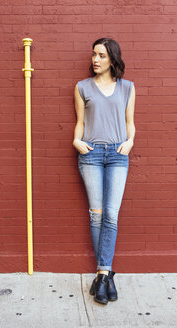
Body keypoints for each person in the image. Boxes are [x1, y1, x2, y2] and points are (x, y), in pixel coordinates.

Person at [73, 38, 136, 305]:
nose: (95, 60)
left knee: (111, 214)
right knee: (96, 215)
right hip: (91, 154)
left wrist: (130, 142)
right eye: (93, 55)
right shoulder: (82, 87)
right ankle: (106, 274)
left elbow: (130, 123)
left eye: (101, 55)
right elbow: (80, 122)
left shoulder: (127, 87)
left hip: (118, 155)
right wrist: (76, 141)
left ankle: (101, 274)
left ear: (112, 59)